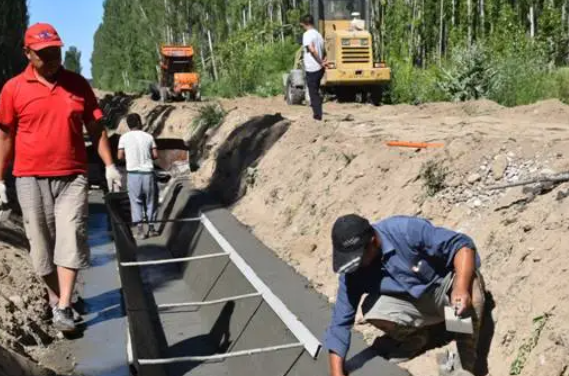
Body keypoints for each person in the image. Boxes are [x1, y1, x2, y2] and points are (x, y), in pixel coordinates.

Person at [0, 23, 122, 332]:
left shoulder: (77, 84)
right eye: (44, 54)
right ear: (27, 53)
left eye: (56, 51)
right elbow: (5, 138)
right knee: (41, 250)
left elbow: (96, 129)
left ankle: (65, 306)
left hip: (72, 176)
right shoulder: (13, 89)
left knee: (70, 237)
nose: (53, 57)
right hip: (29, 178)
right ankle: (57, 299)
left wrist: (109, 165)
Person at [325, 214, 486, 375]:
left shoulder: (406, 230)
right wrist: (336, 373)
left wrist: (460, 287)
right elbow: (340, 324)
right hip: (415, 305)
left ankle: (464, 362)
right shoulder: (354, 272)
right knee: (373, 309)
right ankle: (417, 338)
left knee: (470, 290)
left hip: (444, 294)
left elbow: (462, 246)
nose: (356, 267)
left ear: (372, 242)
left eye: (358, 260)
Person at [117, 113, 159, 240]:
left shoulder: (124, 138)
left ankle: (140, 231)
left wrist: (129, 158)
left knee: (136, 202)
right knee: (151, 201)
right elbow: (155, 155)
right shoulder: (148, 137)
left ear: (128, 125)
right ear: (140, 123)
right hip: (148, 174)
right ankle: (151, 229)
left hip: (133, 174)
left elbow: (119, 156)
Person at [300, 14, 326, 121]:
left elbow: (311, 49)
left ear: (304, 24)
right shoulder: (318, 34)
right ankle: (318, 113)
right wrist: (323, 61)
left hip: (313, 67)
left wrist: (320, 61)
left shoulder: (307, 34)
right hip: (320, 68)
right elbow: (323, 49)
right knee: (316, 90)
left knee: (313, 92)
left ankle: (317, 116)